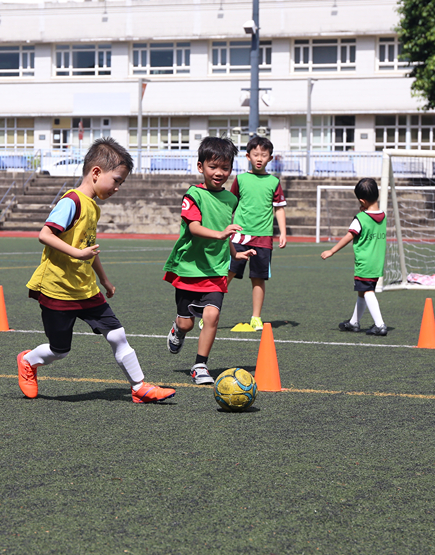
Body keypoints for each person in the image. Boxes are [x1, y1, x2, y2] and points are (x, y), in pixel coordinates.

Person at [17, 138, 176, 403]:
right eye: (116, 180)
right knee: (59, 350)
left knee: (117, 334)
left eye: (121, 183)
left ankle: (139, 388)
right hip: (58, 289)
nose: (117, 188)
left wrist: (104, 279)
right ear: (96, 173)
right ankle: (28, 362)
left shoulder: (93, 207)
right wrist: (78, 253)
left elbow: (89, 247)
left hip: (85, 288)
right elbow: (45, 235)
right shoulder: (71, 202)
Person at [163, 136, 256, 384]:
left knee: (212, 317)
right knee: (187, 324)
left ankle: (200, 365)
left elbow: (225, 232)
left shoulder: (231, 199)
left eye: (225, 168)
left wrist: (236, 253)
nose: (219, 172)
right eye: (213, 167)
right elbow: (194, 227)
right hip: (189, 269)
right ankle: (177, 329)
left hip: (216, 270)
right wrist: (220, 234)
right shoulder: (193, 195)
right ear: (200, 166)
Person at [226, 136, 287, 331]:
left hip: (264, 237)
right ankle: (209, 311)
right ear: (248, 156)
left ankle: (256, 317)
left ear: (270, 158)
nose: (259, 158)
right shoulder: (240, 179)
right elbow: (230, 205)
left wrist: (283, 232)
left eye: (264, 155)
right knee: (228, 272)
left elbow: (279, 209)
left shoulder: (273, 182)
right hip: (239, 235)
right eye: (255, 154)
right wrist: (226, 227)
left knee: (258, 278)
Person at [320, 177, 388, 336]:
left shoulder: (361, 219)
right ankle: (354, 322)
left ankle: (380, 324)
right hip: (377, 262)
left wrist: (332, 251)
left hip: (365, 263)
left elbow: (349, 236)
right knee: (362, 291)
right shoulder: (383, 216)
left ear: (361, 200)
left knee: (368, 291)